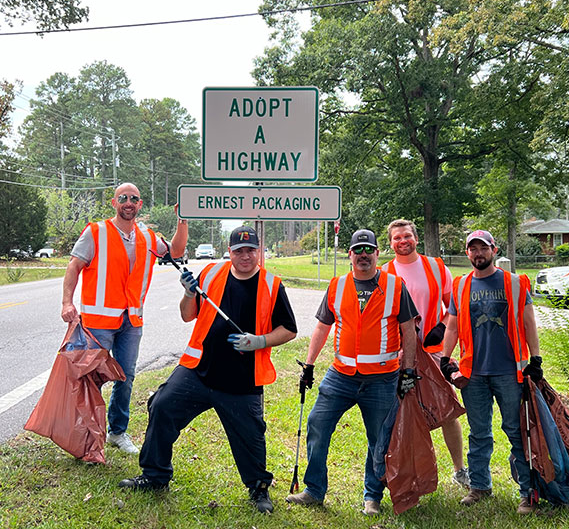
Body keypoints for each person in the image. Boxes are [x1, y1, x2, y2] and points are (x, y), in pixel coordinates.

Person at [119, 226, 297, 514]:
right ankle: (155, 476)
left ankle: (258, 488)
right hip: (198, 371)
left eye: (251, 250)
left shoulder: (272, 285)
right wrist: (190, 293)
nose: (245, 256)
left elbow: (289, 329)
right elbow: (187, 315)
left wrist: (259, 341)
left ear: (259, 251)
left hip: (242, 380)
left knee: (251, 436)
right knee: (162, 406)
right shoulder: (212, 274)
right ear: (230, 252)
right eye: (239, 251)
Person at [286, 229, 419, 516]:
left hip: (382, 378)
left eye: (368, 250)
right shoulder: (337, 285)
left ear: (377, 253)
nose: (363, 255)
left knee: (379, 438)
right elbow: (323, 325)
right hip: (341, 375)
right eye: (357, 250)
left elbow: (409, 330)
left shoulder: (396, 286)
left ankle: (372, 496)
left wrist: (408, 370)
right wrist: (309, 365)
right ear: (349, 255)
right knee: (317, 424)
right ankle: (314, 490)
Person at [61, 183, 188, 454]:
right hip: (98, 322)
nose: (128, 202)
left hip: (131, 320)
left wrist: (183, 220)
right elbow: (74, 266)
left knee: (125, 376)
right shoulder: (95, 232)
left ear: (139, 204)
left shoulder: (147, 237)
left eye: (133, 199)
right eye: (123, 198)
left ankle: (117, 431)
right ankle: (85, 436)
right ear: (114, 202)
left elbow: (175, 251)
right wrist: (66, 302)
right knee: (91, 378)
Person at [440, 229, 543, 515]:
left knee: (516, 431)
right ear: (467, 253)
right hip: (473, 373)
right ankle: (480, 486)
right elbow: (452, 325)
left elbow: (528, 321)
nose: (478, 253)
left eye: (483, 248)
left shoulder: (514, 282)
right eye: (472, 249)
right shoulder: (461, 286)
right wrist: (446, 359)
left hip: (510, 372)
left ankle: (527, 492)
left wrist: (535, 358)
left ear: (493, 250)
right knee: (479, 433)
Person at [382, 219, 468, 487]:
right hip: (398, 352)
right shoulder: (384, 273)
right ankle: (397, 473)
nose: (402, 241)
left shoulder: (435, 266)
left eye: (406, 236)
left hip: (431, 349)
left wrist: (442, 327)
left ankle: (460, 469)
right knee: (397, 413)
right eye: (396, 238)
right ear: (390, 243)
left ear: (416, 239)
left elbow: (453, 306)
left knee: (447, 410)